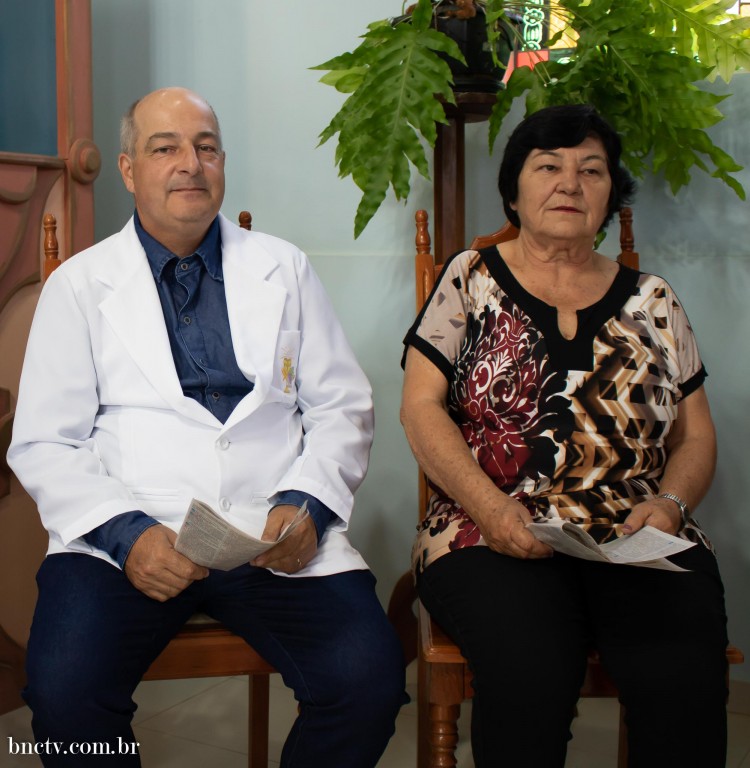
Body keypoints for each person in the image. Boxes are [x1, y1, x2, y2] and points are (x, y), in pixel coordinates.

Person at [8, 86, 405, 767]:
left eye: (206, 147)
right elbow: (47, 441)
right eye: (165, 148)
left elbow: (341, 405)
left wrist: (307, 505)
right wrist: (127, 535)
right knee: (65, 695)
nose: (190, 164)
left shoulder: (284, 267)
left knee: (368, 682)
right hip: (129, 531)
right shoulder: (78, 285)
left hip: (268, 529)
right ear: (129, 169)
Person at [400, 104, 729, 767]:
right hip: (487, 527)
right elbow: (420, 408)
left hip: (633, 532)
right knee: (529, 666)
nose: (570, 184)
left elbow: (696, 437)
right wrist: (490, 507)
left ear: (611, 195)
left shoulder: (655, 299)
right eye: (548, 166)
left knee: (680, 671)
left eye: (592, 170)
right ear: (514, 190)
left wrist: (670, 506)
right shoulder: (469, 278)